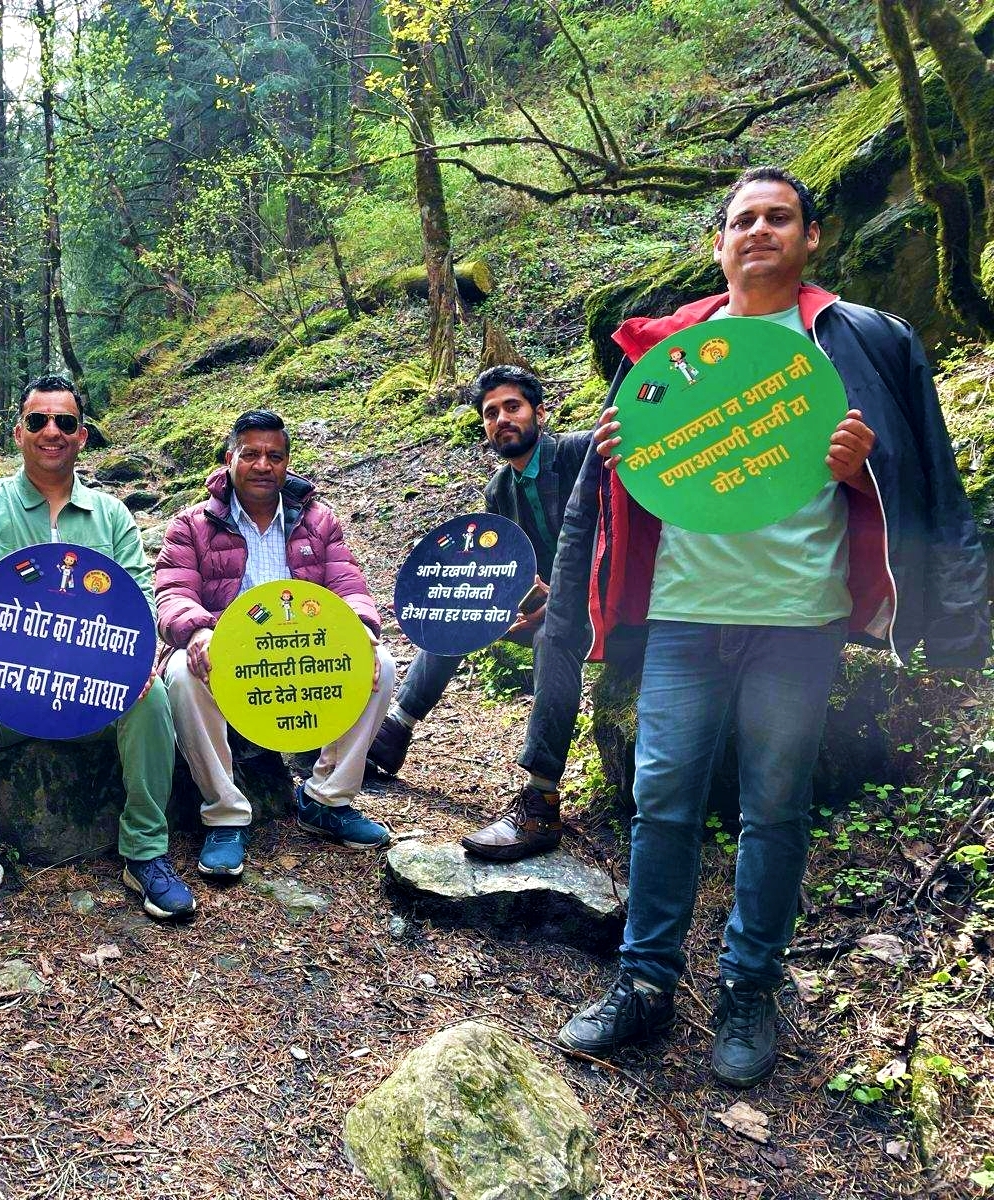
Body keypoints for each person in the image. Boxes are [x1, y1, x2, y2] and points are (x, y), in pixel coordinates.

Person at [551, 167, 988, 1087]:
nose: (759, 231)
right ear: (720, 242)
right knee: (661, 803)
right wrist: (615, 456)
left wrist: (863, 470)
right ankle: (645, 982)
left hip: (799, 618)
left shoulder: (858, 340)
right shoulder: (670, 351)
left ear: (812, 236)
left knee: (774, 809)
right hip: (681, 614)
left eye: (778, 218)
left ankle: (750, 987)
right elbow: (638, 480)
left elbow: (921, 479)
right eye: (742, 219)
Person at [0, 375, 196, 931]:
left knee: (152, 695)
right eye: (39, 421)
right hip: (5, 688)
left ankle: (144, 853)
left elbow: (138, 596)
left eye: (65, 422)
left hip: (90, 692)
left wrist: (139, 659)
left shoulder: (111, 516)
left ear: (83, 436)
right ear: (19, 432)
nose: (53, 431)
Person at [156, 409, 398, 877]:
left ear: (287, 463)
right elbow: (172, 592)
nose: (263, 465)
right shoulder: (192, 524)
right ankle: (224, 814)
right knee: (184, 674)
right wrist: (199, 629)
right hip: (228, 654)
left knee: (380, 664)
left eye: (274, 456)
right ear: (230, 459)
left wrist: (363, 629)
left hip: (305, 654)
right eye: (251, 454)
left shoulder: (317, 521)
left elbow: (347, 583)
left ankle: (327, 799)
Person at [367, 366, 594, 862]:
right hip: (545, 611)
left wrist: (556, 600)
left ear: (538, 410)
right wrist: (513, 601)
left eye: (512, 406)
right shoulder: (499, 489)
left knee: (554, 633)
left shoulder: (580, 451)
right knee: (458, 612)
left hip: (600, 606)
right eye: (491, 413)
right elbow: (513, 568)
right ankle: (393, 734)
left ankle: (540, 800)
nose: (502, 419)